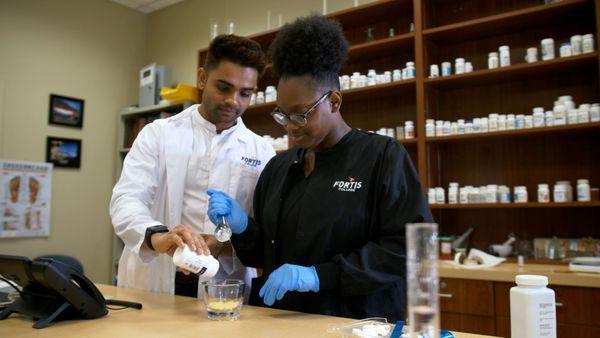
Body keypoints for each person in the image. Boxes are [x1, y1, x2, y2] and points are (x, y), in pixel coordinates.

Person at [207, 16, 433, 322]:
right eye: (282, 116)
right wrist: (243, 229)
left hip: (357, 324)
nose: (290, 128)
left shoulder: (382, 157)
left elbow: (406, 250)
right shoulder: (280, 167)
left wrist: (318, 276)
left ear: (335, 101)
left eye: (300, 115)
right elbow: (261, 255)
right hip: (282, 323)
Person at [110, 34, 275, 297]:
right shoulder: (159, 134)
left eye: (245, 93)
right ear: (201, 78)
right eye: (223, 87)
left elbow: (264, 230)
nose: (234, 100)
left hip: (222, 281)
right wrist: (160, 238)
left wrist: (227, 246)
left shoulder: (262, 151)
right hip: (158, 278)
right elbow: (126, 201)